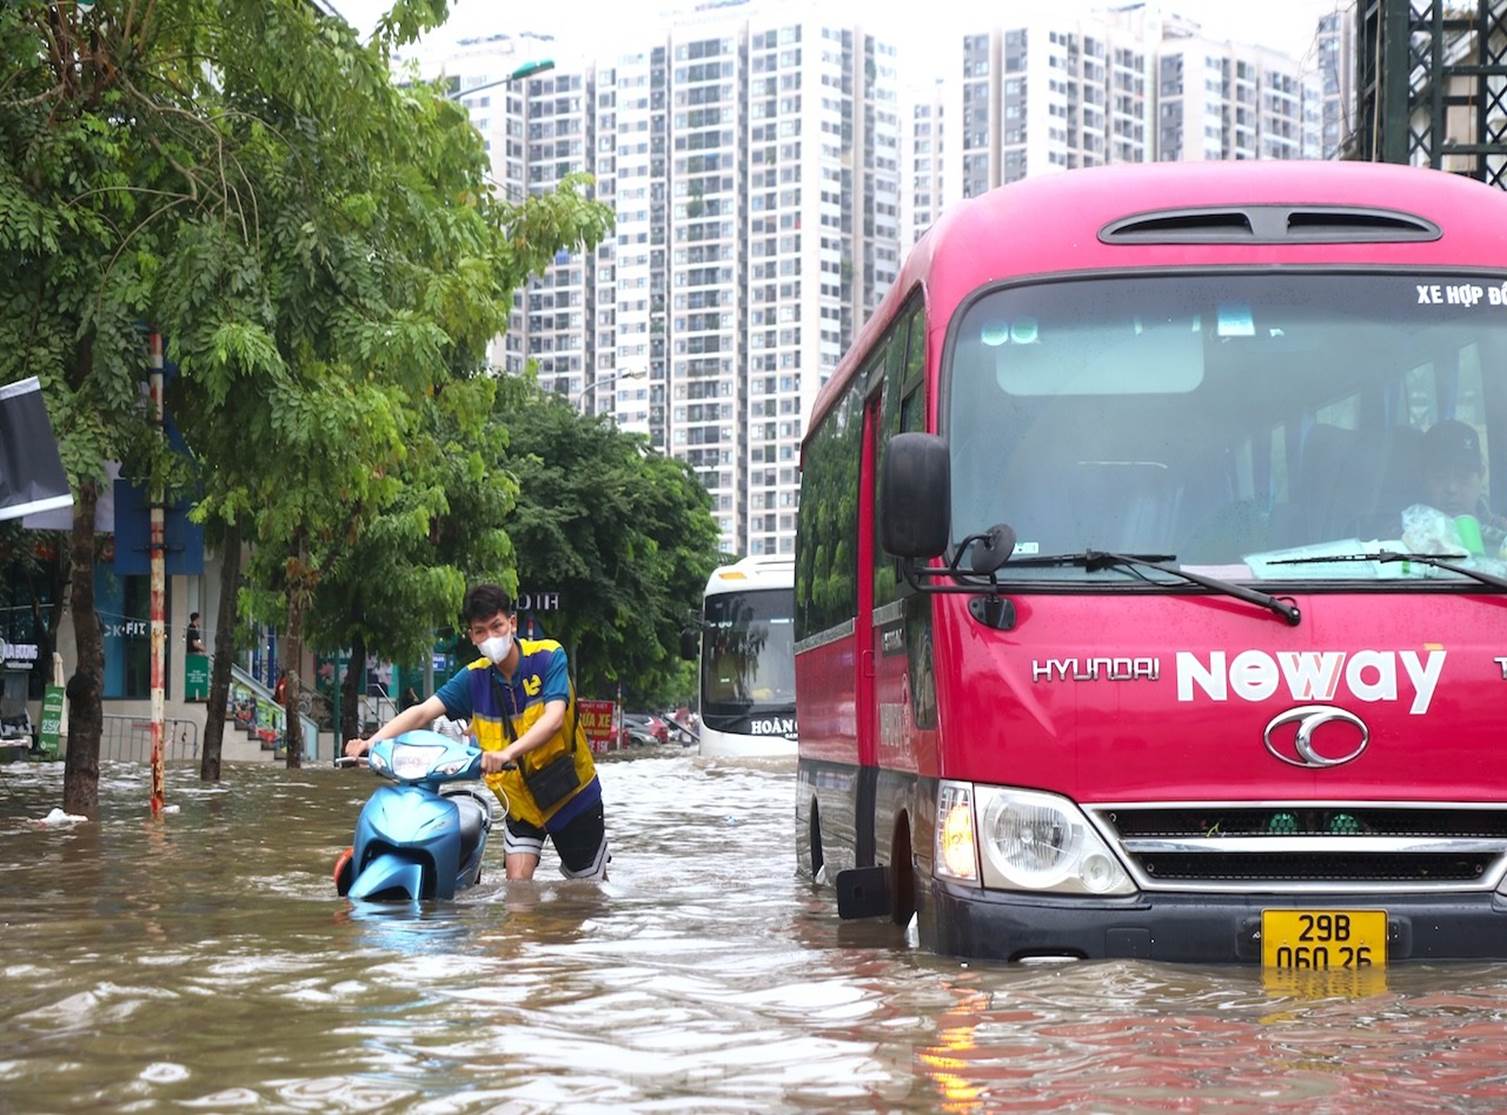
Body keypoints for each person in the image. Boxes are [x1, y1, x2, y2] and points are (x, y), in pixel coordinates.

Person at [345, 584, 607, 881]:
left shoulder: (549, 657)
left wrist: (507, 753)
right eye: (481, 631)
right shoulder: (473, 679)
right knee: (516, 896)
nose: (491, 637)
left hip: (571, 795)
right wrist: (371, 742)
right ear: (472, 636)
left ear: (512, 623)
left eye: (497, 626)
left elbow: (554, 719)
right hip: (520, 806)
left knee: (588, 896)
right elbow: (422, 712)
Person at [1401, 419, 1507, 559]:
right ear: (1423, 478)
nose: (1452, 488)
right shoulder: (1404, 537)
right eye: (1440, 477)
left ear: (1481, 475)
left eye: (1463, 477)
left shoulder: (1502, 533)